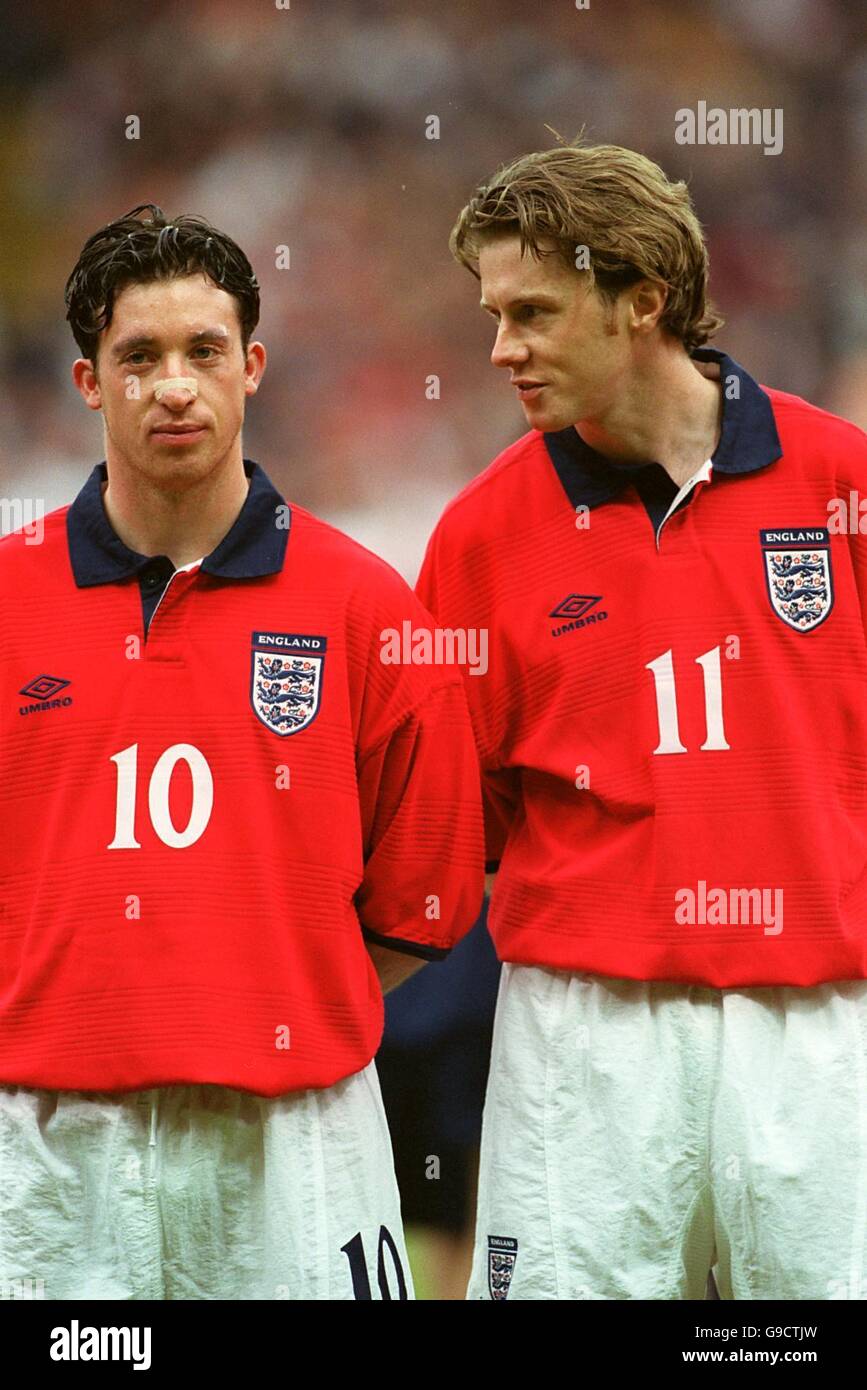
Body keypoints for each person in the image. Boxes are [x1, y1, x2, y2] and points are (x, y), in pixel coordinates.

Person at [0, 204, 484, 1300]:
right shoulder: (6, 599)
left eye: (203, 352)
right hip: (47, 1152)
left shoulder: (366, 606)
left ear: (251, 366)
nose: (175, 385)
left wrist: (265, 1004)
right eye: (138, 357)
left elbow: (425, 898)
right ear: (89, 382)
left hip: (296, 1144)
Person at [415, 141, 867, 1301]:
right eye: (493, 313)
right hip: (584, 1034)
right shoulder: (480, 538)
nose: (502, 347)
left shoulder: (841, 483)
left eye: (534, 312)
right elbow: (461, 820)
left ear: (642, 299)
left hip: (820, 1024)